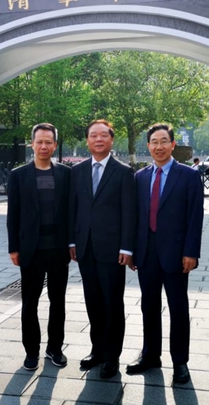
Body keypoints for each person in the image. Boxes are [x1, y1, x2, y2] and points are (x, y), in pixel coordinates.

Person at [127, 123, 204, 385]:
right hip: (146, 253)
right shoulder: (140, 177)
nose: (158, 146)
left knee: (178, 307)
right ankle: (150, 355)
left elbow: (195, 217)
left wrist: (191, 252)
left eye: (163, 141)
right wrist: (133, 250)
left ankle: (180, 362)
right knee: (148, 305)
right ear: (148, 146)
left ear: (172, 144)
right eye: (154, 142)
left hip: (177, 254)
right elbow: (136, 217)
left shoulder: (188, 176)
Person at [69, 119, 137, 379]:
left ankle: (111, 356)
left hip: (112, 250)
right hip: (85, 248)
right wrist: (72, 242)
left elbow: (129, 213)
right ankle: (96, 350)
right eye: (93, 136)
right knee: (93, 301)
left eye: (103, 135)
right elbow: (73, 209)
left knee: (112, 303)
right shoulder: (77, 171)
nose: (98, 139)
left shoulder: (123, 172)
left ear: (111, 139)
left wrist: (127, 248)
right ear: (87, 140)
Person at [7, 123, 71, 371]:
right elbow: (13, 214)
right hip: (30, 249)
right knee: (29, 302)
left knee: (58, 301)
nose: (44, 146)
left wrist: (72, 243)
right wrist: (14, 247)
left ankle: (55, 348)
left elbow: (71, 212)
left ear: (55, 145)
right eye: (39, 141)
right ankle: (31, 351)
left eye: (48, 142)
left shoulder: (66, 174)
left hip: (58, 249)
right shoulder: (18, 175)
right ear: (32, 144)